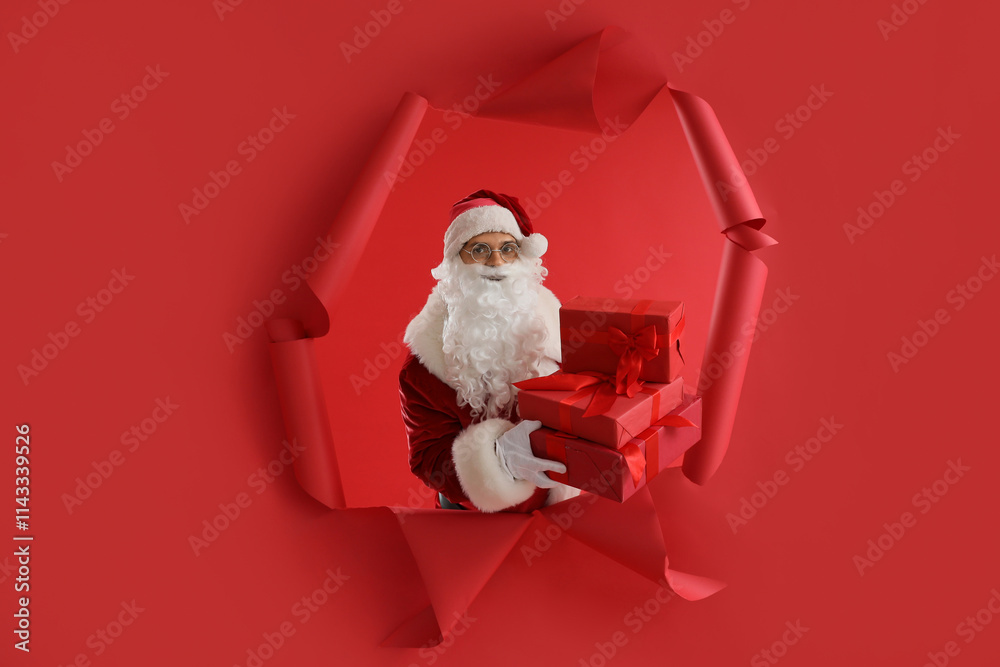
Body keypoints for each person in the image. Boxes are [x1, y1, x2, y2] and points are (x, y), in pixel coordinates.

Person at [398, 189, 579, 512]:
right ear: (455, 263)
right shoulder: (423, 369)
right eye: (479, 250)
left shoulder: (558, 326)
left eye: (507, 249)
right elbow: (428, 460)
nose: (496, 262)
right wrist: (499, 458)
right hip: (476, 526)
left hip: (563, 512)